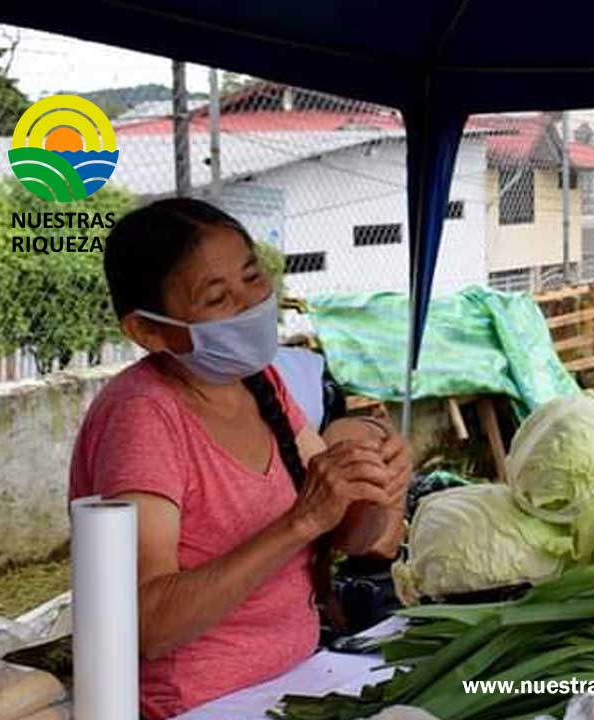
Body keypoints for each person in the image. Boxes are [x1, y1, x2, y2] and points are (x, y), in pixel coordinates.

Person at [68, 198, 413, 719]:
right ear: (148, 331)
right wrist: (299, 523)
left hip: (299, 682)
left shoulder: (257, 380)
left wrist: (378, 487)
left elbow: (351, 537)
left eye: (252, 277)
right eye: (216, 297)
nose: (251, 304)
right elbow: (147, 626)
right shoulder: (143, 417)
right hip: (200, 706)